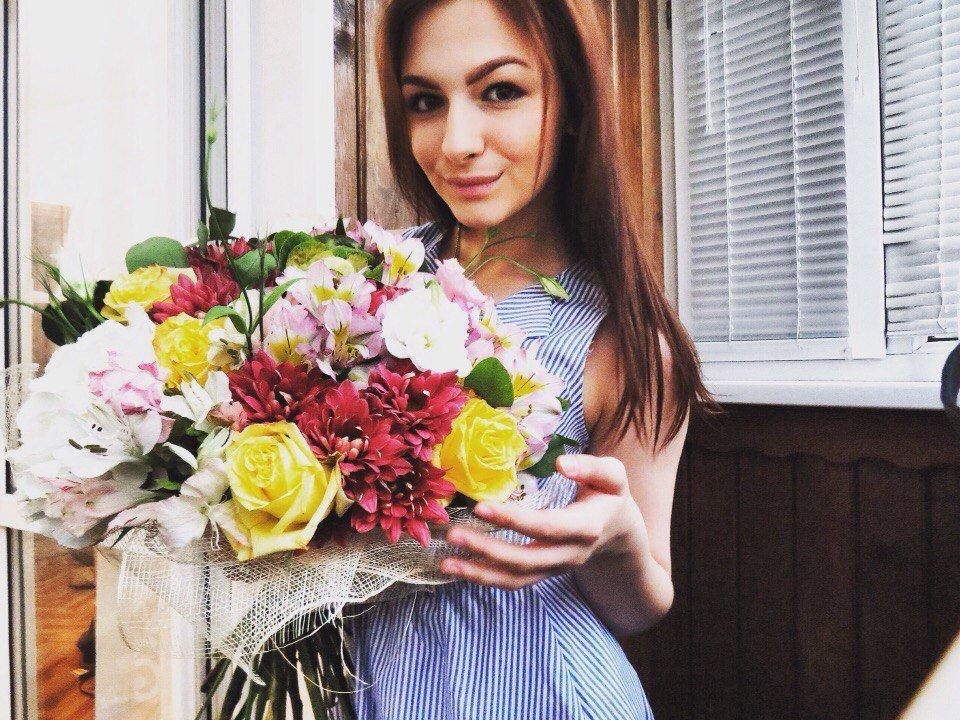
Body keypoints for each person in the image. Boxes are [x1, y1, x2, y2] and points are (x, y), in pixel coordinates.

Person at [349, 1, 716, 718]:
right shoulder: (364, 285)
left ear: (570, 101)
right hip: (371, 686)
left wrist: (616, 540)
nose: (457, 141)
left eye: (500, 91)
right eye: (426, 102)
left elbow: (641, 605)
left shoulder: (620, 338)